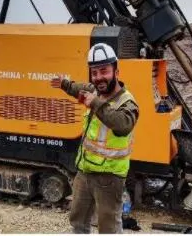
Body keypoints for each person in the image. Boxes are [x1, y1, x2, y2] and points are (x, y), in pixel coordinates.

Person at [50, 42, 139, 234]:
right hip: (85, 170)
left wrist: (96, 104)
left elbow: (123, 125)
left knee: (108, 227)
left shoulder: (127, 102)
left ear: (116, 71)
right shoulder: (94, 91)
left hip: (109, 177)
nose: (99, 77)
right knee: (78, 220)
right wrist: (65, 85)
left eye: (104, 71)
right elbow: (79, 88)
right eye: (94, 72)